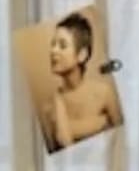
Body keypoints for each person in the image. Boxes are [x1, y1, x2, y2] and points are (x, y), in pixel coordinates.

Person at [41, 12, 123, 152]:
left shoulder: (104, 93)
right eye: (53, 44)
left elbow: (121, 142)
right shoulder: (48, 108)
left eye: (62, 45)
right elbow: (63, 142)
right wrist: (99, 123)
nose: (53, 51)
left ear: (82, 55)